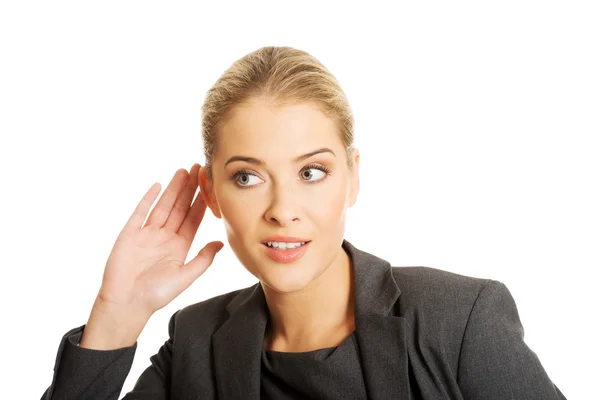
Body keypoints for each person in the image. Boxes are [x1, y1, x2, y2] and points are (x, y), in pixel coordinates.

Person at [40, 46, 567, 400]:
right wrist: (115, 318)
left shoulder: (460, 320)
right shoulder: (196, 342)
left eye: (312, 171)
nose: (283, 209)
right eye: (248, 177)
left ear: (352, 178)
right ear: (213, 194)